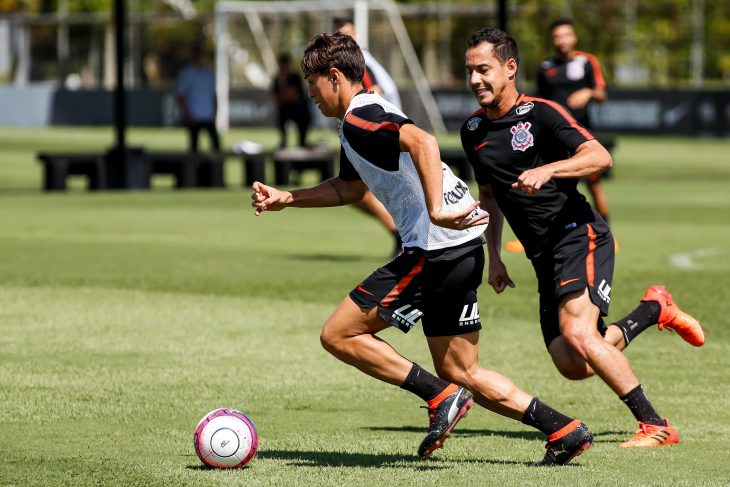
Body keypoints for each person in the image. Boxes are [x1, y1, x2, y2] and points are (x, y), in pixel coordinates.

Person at [252, 32, 593, 466]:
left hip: (436, 249)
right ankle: (563, 429)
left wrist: (435, 209)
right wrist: (289, 198)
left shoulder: (362, 117)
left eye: (312, 83)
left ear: (335, 77)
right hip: (461, 247)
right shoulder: (359, 120)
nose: (310, 95)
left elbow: (423, 141)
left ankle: (440, 398)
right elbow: (349, 188)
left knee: (338, 334)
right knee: (461, 369)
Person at [460, 27, 705, 449]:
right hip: (541, 255)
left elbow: (599, 156)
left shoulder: (541, 113)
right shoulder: (473, 131)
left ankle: (655, 425)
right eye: (469, 72)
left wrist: (549, 169)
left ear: (510, 68)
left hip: (579, 235)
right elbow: (488, 197)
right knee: (574, 363)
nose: (476, 80)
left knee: (578, 332)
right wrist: (495, 256)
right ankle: (652, 308)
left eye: (484, 70)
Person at [334, 17, 403, 256]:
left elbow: (375, 92)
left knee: (357, 189)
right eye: (340, 35)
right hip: (378, 131)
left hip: (380, 132)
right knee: (356, 191)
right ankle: (401, 233)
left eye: (348, 34)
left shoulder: (358, 63)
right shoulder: (354, 61)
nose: (345, 39)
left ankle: (402, 234)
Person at [176, 43, 220, 153]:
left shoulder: (209, 73)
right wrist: (187, 114)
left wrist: (215, 114)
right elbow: (180, 96)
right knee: (194, 149)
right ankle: (193, 170)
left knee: (216, 146)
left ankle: (215, 170)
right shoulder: (186, 73)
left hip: (208, 116)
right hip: (193, 117)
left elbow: (213, 95)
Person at [272, 53, 311, 148]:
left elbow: (297, 95)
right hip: (285, 108)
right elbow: (278, 97)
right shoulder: (277, 79)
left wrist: (287, 94)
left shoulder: (295, 77)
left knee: (305, 117)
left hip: (298, 108)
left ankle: (302, 142)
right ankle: (283, 141)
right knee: (281, 117)